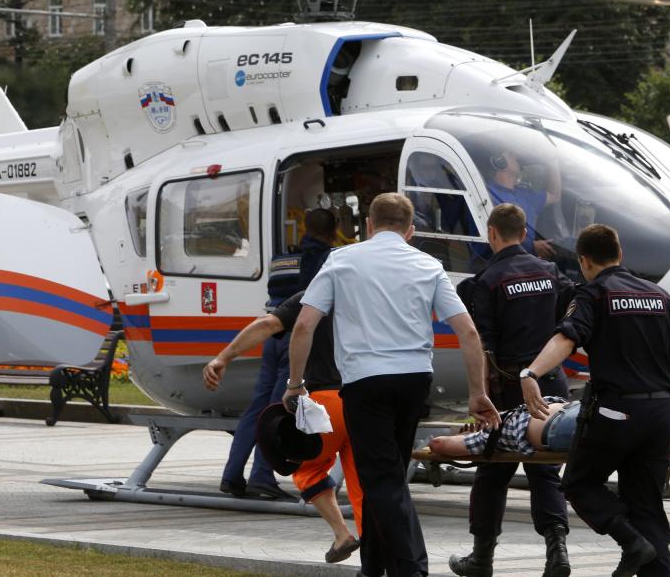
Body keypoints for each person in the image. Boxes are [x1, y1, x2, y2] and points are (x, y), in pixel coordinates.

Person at [282, 192, 501, 577]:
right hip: (415, 380)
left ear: (368, 224)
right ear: (411, 231)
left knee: (381, 480)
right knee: (391, 476)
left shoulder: (342, 260)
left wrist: (295, 384)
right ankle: (375, 567)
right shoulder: (428, 265)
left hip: (366, 381)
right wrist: (477, 392)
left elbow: (303, 325)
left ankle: (413, 568)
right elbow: (467, 332)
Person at [521, 224, 670, 577]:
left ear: (583, 261)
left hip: (616, 413)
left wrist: (531, 374)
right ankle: (648, 555)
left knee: (579, 483)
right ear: (619, 253)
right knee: (647, 506)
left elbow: (566, 338)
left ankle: (630, 541)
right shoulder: (660, 296)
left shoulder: (592, 294)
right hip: (659, 413)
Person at [450, 203, 575, 577]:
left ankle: (481, 558)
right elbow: (573, 311)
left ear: (491, 234)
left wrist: (481, 394)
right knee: (546, 471)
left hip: (507, 387)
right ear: (524, 234)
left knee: (492, 471)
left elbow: (483, 343)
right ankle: (558, 555)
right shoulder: (551, 271)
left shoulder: (486, 280)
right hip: (550, 380)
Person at [203, 288, 363, 564]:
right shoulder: (371, 294)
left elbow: (267, 324)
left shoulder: (316, 293)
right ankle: (376, 554)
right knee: (364, 483)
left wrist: (224, 357)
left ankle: (341, 534)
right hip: (367, 402)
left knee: (307, 468)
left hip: (327, 402)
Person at [205, 208, 337, 500]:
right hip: (296, 336)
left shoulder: (283, 258)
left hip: (272, 335)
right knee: (280, 411)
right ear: (331, 232)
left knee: (258, 410)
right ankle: (262, 477)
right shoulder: (330, 258)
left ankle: (232, 475)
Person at [428, 399, 670, 468]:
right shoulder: (490, 435)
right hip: (561, 426)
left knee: (658, 414)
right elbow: (442, 444)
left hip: (571, 415)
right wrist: (467, 433)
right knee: (647, 421)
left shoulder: (503, 419)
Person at [486, 149, 560, 259]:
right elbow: (493, 233)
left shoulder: (525, 195)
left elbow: (555, 195)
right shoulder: (487, 193)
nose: (516, 157)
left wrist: (552, 162)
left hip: (525, 264)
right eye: (511, 155)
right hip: (498, 265)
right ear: (499, 161)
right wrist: (531, 246)